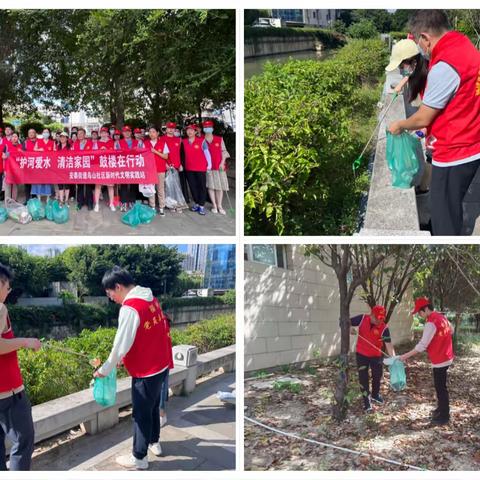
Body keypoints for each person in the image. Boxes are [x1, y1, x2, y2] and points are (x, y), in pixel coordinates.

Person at [388, 10, 480, 235]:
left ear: (425, 37)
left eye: (419, 40)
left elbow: (424, 116)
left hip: (454, 151)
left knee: (443, 213)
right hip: (471, 141)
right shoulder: (466, 47)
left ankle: (444, 235)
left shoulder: (445, 65)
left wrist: (399, 125)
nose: (420, 46)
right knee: (451, 202)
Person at [93, 266, 173, 470]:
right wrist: (123, 357)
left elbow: (119, 345)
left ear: (118, 287)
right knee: (153, 406)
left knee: (140, 414)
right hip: (161, 364)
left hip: (147, 371)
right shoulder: (149, 297)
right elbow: (142, 336)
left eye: (110, 293)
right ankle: (154, 441)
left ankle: (139, 457)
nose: (110, 298)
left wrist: (104, 369)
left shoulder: (130, 308)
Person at [0, 263, 42, 471]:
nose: (8, 291)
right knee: (23, 441)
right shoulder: (0, 307)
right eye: (7, 286)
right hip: (7, 392)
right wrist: (26, 341)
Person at [399, 297, 454, 425]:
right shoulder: (441, 317)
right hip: (446, 356)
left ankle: (444, 416)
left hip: (440, 359)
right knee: (440, 386)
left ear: (426, 309)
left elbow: (422, 346)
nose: (419, 314)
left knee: (441, 388)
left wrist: (404, 357)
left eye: (420, 311)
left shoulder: (431, 322)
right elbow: (451, 330)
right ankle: (441, 409)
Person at [350, 305, 395, 412]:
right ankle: (366, 401)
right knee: (363, 377)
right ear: (372, 315)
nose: (380, 321)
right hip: (362, 354)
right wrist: (349, 328)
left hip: (376, 355)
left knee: (377, 375)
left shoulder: (384, 328)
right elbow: (345, 321)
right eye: (378, 318)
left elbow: (389, 345)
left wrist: (394, 359)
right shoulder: (362, 319)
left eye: (382, 319)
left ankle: (375, 394)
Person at [182, 124, 211, 215]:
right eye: (188, 130)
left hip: (201, 168)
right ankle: (197, 203)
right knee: (193, 187)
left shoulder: (202, 141)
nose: (189, 132)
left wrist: (209, 165)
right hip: (189, 168)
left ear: (195, 132)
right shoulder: (183, 142)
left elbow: (207, 153)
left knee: (202, 186)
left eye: (192, 130)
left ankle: (202, 206)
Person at [203, 120, 230, 214]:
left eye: (209, 127)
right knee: (211, 187)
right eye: (205, 127)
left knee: (219, 187)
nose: (207, 128)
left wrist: (222, 162)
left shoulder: (219, 139)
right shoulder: (202, 140)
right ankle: (214, 205)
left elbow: (224, 151)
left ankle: (220, 206)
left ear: (212, 128)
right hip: (208, 168)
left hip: (219, 167)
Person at [144, 126, 169, 216]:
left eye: (153, 132)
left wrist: (155, 151)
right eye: (150, 132)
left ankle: (162, 207)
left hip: (160, 169)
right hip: (149, 170)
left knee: (160, 189)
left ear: (158, 133)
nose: (151, 134)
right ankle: (152, 206)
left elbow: (166, 156)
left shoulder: (163, 143)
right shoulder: (145, 143)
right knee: (151, 189)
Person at [93, 127, 115, 212]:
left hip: (109, 166)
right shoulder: (96, 143)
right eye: (101, 132)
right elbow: (93, 154)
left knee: (110, 186)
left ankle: (111, 203)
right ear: (100, 134)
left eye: (105, 132)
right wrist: (99, 151)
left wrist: (108, 150)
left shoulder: (112, 142)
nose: (103, 134)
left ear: (108, 134)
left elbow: (117, 153)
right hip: (99, 166)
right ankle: (97, 204)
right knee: (98, 186)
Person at [72, 128, 93, 211]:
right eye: (78, 134)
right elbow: (72, 154)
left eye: (81, 133)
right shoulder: (75, 143)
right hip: (78, 167)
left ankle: (90, 203)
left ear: (85, 134)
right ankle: (80, 203)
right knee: (80, 186)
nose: (80, 135)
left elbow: (93, 154)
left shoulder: (90, 143)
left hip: (88, 167)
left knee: (88, 186)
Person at [31, 128, 55, 201]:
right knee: (38, 181)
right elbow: (34, 150)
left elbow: (55, 152)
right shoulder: (38, 141)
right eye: (44, 132)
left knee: (47, 182)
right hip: (39, 165)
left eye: (47, 132)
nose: (45, 133)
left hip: (48, 165)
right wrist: (39, 150)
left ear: (49, 134)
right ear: (42, 134)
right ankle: (39, 197)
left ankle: (48, 198)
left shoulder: (52, 142)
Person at [3, 133, 22, 203]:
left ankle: (14, 201)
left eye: (16, 136)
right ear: (11, 138)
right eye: (13, 136)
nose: (14, 138)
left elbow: (23, 157)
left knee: (15, 185)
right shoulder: (6, 146)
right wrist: (9, 155)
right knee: (8, 185)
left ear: (18, 138)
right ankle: (7, 201)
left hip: (17, 169)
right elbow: (3, 156)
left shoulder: (20, 146)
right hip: (8, 169)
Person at [55, 132, 72, 205]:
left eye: (64, 137)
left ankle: (66, 199)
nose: (62, 138)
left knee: (67, 185)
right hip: (59, 169)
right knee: (60, 185)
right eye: (61, 137)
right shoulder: (57, 147)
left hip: (67, 169)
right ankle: (61, 200)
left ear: (67, 138)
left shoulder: (70, 147)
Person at [22, 129, 38, 203]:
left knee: (35, 182)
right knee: (27, 183)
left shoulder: (39, 142)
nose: (31, 134)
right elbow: (22, 153)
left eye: (32, 132)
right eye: (29, 133)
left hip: (37, 165)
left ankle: (34, 199)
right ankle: (27, 199)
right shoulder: (25, 142)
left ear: (35, 134)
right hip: (27, 165)